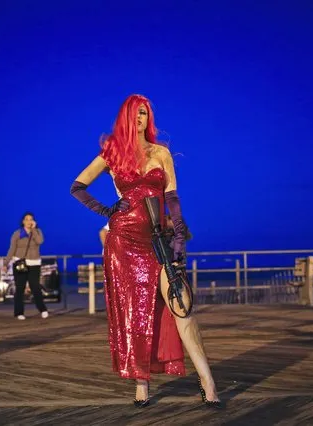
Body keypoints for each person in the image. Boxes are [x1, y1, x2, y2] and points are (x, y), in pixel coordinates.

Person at [70, 94, 220, 408]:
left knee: (183, 308)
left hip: (158, 240)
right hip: (124, 242)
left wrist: (179, 236)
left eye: (144, 113)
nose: (139, 119)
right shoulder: (111, 152)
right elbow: (77, 187)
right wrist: (108, 210)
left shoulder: (161, 152)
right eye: (135, 113)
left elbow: (173, 199)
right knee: (136, 314)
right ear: (125, 117)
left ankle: (207, 379)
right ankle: (141, 383)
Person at [4, 212, 49, 320]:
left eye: (31, 219)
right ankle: (19, 313)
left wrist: (33, 229)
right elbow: (12, 248)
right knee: (20, 288)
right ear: (23, 221)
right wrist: (6, 263)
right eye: (27, 219)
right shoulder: (17, 233)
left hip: (34, 263)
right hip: (20, 263)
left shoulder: (37, 232)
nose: (29, 221)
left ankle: (43, 310)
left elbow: (40, 241)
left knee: (35, 287)